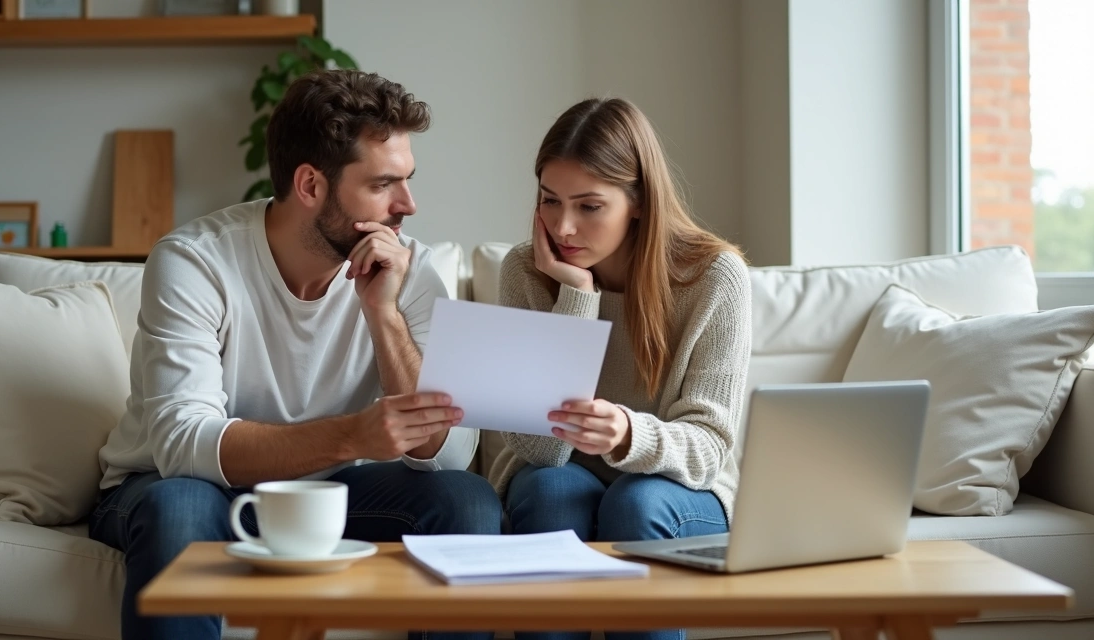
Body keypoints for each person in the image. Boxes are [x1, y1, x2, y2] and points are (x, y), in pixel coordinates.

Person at [90, 70, 501, 640]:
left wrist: (383, 316)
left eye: (407, 180)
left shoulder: (411, 267)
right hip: (180, 486)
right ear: (310, 185)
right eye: (383, 184)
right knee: (180, 508)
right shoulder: (194, 262)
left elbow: (449, 452)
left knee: (466, 501)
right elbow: (184, 444)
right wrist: (352, 438)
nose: (408, 204)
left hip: (330, 495)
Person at [489, 97, 752, 640]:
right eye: (550, 201)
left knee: (637, 501)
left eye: (589, 206)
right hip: (560, 475)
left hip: (678, 488)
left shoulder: (713, 277)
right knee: (549, 490)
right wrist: (577, 296)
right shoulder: (524, 272)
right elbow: (540, 451)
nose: (563, 226)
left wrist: (630, 433)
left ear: (636, 201)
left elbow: (709, 445)